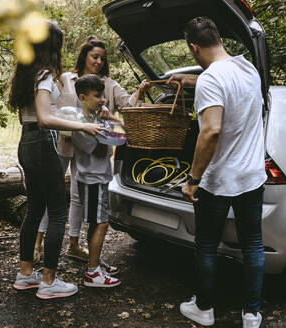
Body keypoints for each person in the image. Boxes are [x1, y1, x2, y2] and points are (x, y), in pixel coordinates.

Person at [167, 17, 267, 327]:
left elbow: (210, 131)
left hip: (219, 179)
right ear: (219, 39)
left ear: (194, 48)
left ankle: (205, 309)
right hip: (252, 176)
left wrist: (192, 180)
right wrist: (191, 80)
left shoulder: (211, 79)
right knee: (253, 243)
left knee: (207, 244)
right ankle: (251, 313)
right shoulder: (247, 68)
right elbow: (229, 87)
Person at [9, 22, 105, 299]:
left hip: (26, 144)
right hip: (42, 143)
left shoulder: (25, 75)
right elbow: (45, 118)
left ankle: (26, 274)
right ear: (51, 47)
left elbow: (29, 117)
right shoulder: (44, 76)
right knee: (58, 212)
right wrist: (82, 126)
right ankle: (49, 280)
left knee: (35, 210)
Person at [34, 36, 148, 269]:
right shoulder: (66, 79)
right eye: (94, 56)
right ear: (84, 56)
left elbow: (129, 105)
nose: (98, 61)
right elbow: (50, 105)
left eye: (102, 58)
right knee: (52, 191)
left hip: (92, 150)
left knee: (76, 196)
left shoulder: (108, 84)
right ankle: (37, 241)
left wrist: (142, 89)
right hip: (65, 142)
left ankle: (74, 244)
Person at [72, 74, 121, 287]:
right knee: (102, 222)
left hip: (98, 178)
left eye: (103, 95)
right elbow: (100, 148)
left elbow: (120, 132)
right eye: (97, 96)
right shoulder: (81, 123)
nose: (102, 100)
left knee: (96, 221)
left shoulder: (96, 118)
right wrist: (109, 133)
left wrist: (111, 119)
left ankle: (95, 261)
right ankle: (92, 273)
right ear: (83, 97)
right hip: (92, 179)